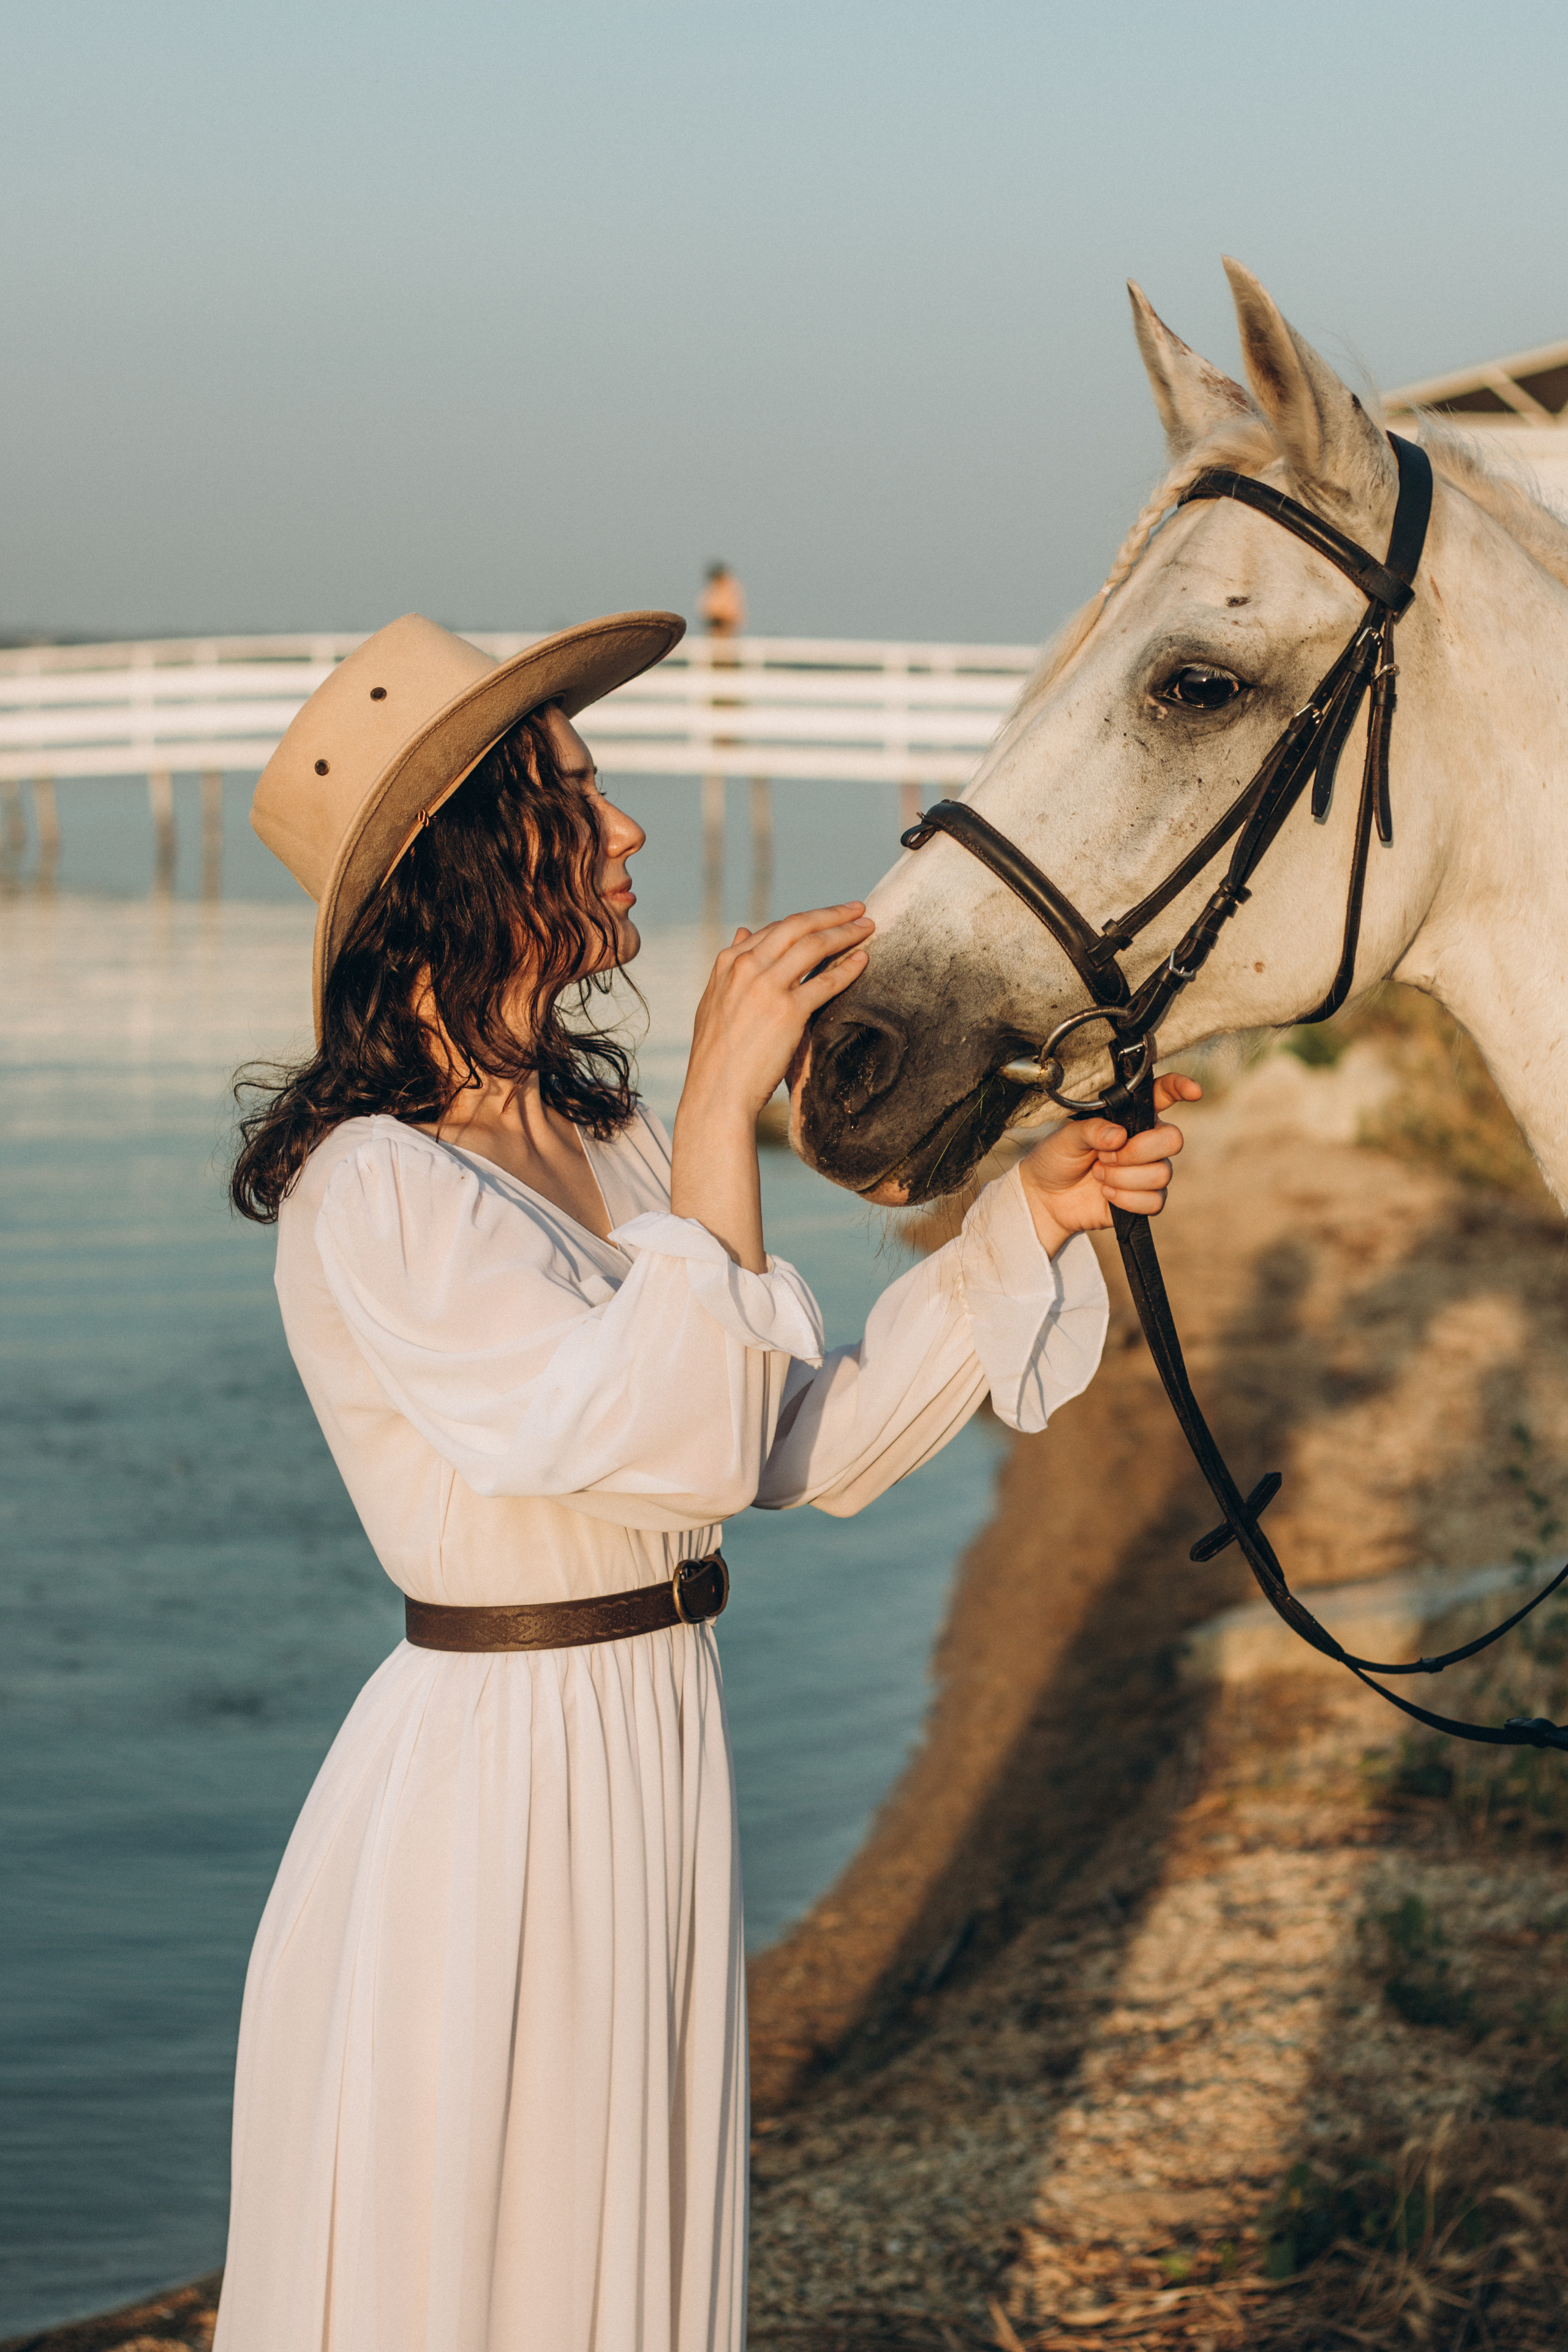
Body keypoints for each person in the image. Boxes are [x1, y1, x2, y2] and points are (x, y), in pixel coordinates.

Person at [214, 609, 1197, 2352]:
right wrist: (728, 1103)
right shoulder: (370, 1186)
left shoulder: (602, 1143)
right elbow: (654, 1424)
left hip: (655, 1744)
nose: (629, 831)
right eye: (578, 800)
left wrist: (1020, 1221)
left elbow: (785, 1446)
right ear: (470, 857)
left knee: (626, 2241)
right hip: (489, 1790)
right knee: (476, 2252)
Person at [698, 560, 745, 638]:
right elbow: (706, 608)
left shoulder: (730, 588)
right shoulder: (713, 588)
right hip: (714, 624)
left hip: (727, 625)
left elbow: (731, 611)